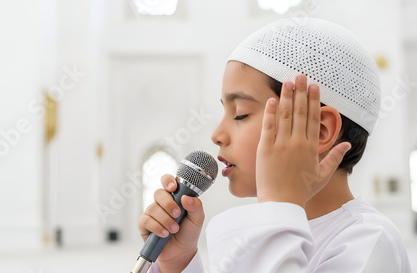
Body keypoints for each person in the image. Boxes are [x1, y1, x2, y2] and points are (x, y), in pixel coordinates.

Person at [137, 18, 412, 272]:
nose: (217, 134)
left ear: (319, 131)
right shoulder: (264, 231)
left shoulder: (370, 242)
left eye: (241, 114)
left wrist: (278, 208)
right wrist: (178, 263)